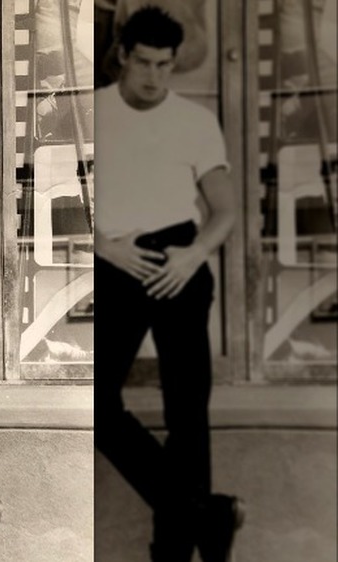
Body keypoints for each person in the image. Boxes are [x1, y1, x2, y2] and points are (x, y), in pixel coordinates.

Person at [93, 7, 243, 562]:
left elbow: (225, 210)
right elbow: (61, 198)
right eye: (146, 63)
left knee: (187, 411)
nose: (155, 76)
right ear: (124, 57)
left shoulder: (194, 122)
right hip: (116, 258)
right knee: (99, 407)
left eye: (166, 65)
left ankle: (175, 548)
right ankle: (207, 513)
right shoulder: (95, 112)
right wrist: (103, 246)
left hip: (180, 254)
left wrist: (195, 253)